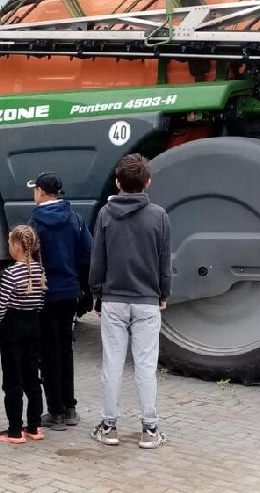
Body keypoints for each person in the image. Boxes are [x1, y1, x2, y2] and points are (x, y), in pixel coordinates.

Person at [89, 154, 171, 450]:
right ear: (147, 182)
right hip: (148, 301)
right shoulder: (159, 215)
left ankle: (108, 426)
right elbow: (164, 262)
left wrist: (96, 293)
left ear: (117, 183)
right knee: (146, 366)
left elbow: (98, 259)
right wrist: (163, 294)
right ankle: (150, 429)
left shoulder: (105, 214)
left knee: (112, 364)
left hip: (113, 300)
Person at [28, 172, 92, 431]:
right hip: (69, 293)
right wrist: (84, 288)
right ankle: (70, 408)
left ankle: (54, 411)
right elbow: (88, 253)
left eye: (35, 189)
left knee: (48, 352)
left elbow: (28, 260)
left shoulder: (34, 222)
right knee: (65, 349)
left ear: (42, 192)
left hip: (45, 295)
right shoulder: (75, 218)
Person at [0, 225, 47, 444]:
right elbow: (41, 303)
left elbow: (1, 305)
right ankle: (33, 426)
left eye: (9, 242)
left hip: (13, 327)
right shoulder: (40, 271)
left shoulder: (11, 273)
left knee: (12, 380)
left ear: (17, 246)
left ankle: (14, 430)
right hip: (33, 324)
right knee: (32, 378)